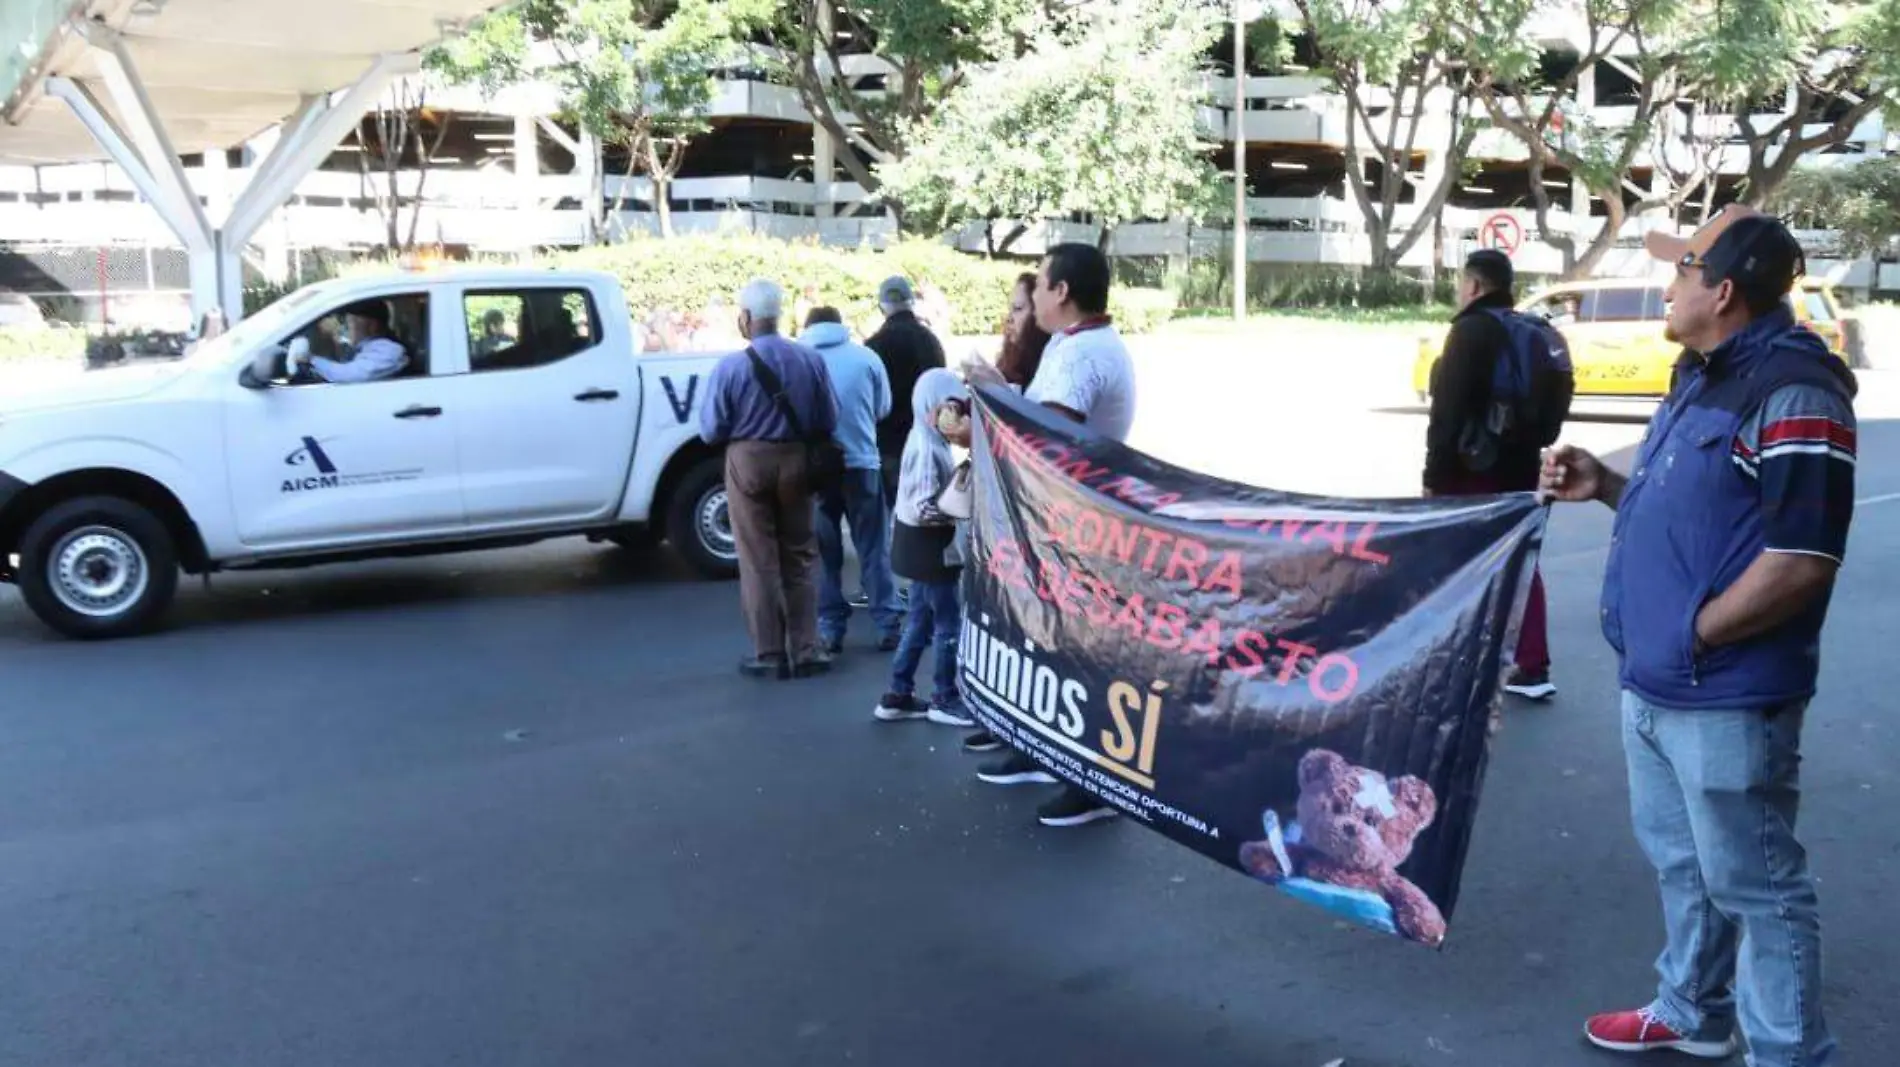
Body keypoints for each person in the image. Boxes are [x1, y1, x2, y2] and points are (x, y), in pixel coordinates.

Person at [1541, 205, 1856, 1066]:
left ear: (1722, 291)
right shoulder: (1701, 373)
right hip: (1658, 679)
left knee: (1757, 885)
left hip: (1724, 689)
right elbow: (1698, 511)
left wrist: (1692, 636)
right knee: (1687, 866)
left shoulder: (1793, 391)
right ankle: (1693, 1009)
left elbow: (1800, 560)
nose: (1667, 286)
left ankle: (1790, 1051)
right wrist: (1604, 481)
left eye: (1680, 271)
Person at [969, 242, 1137, 828]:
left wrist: (992, 397)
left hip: (1076, 525)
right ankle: (1045, 751)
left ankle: (1090, 781)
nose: (1032, 296)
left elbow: (1049, 444)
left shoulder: (1081, 355)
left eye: (1039, 285)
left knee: (1074, 650)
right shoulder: (1074, 346)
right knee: (1047, 642)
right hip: (1064, 521)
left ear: (1062, 291)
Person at [1423, 249, 1572, 701]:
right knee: (1518, 558)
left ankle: (1454, 660)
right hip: (1522, 464)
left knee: (1455, 560)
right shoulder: (1535, 331)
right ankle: (1531, 666)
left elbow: (1446, 413)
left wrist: (1434, 475)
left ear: (1473, 285)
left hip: (1470, 470)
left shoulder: (1471, 331)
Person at [698, 279, 840, 680]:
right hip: (796, 461)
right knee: (799, 554)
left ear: (745, 318)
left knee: (758, 560)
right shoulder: (809, 360)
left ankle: (770, 652)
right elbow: (829, 417)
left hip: (747, 462)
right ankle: (808, 648)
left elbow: (711, 430)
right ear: (777, 316)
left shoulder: (730, 367)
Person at [874, 368, 978, 730]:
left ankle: (898, 693)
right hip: (931, 549)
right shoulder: (925, 445)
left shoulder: (926, 439)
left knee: (919, 619)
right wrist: (960, 509)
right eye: (949, 410)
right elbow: (922, 506)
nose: (954, 420)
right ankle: (944, 696)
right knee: (947, 623)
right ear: (932, 407)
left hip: (919, 548)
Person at [798, 307, 903, 654]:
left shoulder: (798, 359)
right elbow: (883, 407)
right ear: (840, 325)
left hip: (816, 472)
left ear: (808, 327)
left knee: (825, 556)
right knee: (873, 549)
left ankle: (830, 629)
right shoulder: (866, 357)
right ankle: (887, 624)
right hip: (862, 464)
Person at [865, 276, 947, 506]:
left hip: (888, 442)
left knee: (892, 513)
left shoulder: (873, 346)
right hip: (928, 439)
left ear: (881, 306)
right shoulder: (930, 341)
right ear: (912, 302)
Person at [298, 300, 409, 383]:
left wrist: (311, 359)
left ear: (372, 326)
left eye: (351, 322)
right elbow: (346, 354)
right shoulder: (369, 346)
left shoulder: (389, 350)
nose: (346, 328)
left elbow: (348, 374)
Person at [995, 272, 1053, 390]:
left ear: (1037, 312)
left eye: (1017, 308)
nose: (1009, 318)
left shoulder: (1052, 366)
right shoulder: (1008, 359)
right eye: (1009, 309)